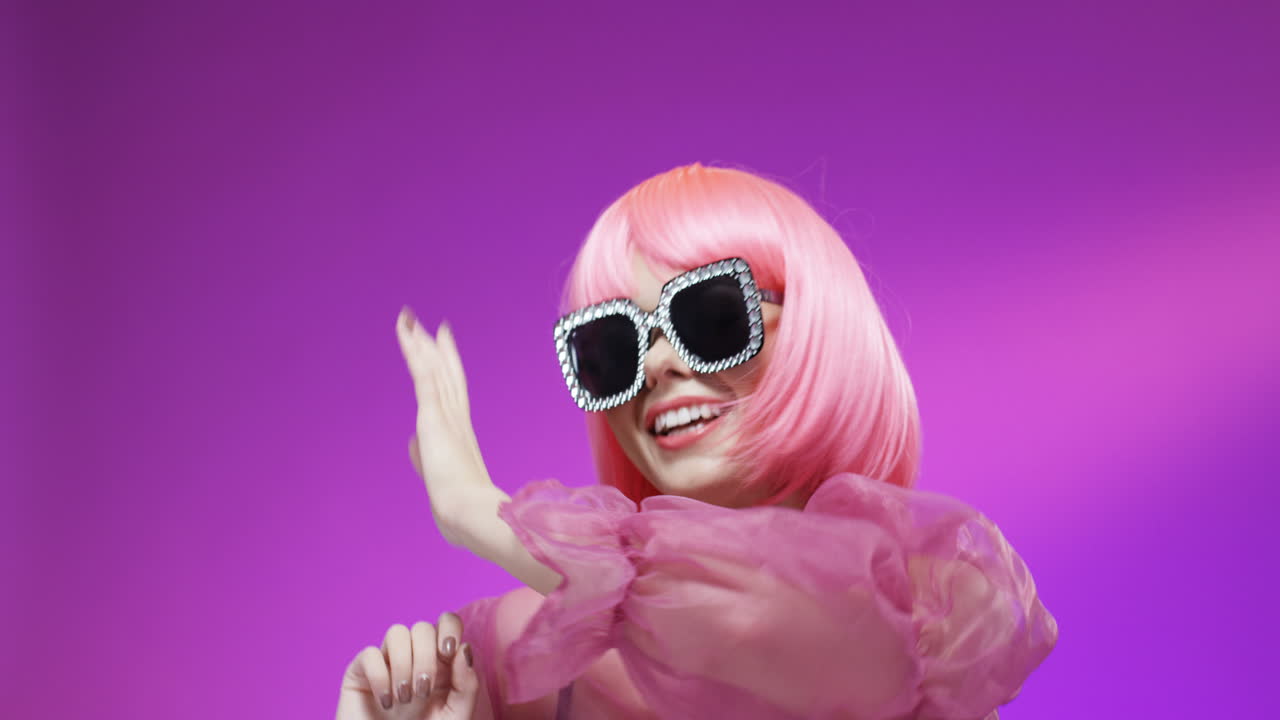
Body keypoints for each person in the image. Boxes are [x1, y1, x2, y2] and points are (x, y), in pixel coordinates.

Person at [336, 163, 1058, 719]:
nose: (654, 366)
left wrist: (473, 507)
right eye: (613, 347)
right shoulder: (512, 650)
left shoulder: (931, 605)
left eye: (712, 317)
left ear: (815, 328)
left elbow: (775, 633)